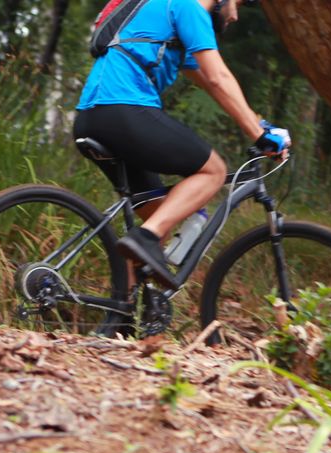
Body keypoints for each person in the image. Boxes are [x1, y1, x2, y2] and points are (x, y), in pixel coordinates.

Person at [74, 0, 289, 288]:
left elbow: (204, 78)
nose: (236, 14)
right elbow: (218, 77)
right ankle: (145, 238)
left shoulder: (165, 8)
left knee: (161, 214)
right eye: (237, 3)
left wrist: (258, 123)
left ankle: (121, 318)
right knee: (212, 171)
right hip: (124, 109)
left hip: (91, 117)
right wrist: (259, 136)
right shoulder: (188, 6)